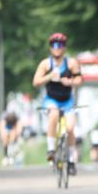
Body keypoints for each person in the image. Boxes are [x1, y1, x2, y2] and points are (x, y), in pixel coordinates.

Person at [32, 32, 83, 175]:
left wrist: (70, 81)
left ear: (64, 48)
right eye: (54, 45)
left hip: (67, 100)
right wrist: (48, 76)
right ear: (50, 48)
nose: (57, 48)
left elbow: (80, 79)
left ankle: (72, 160)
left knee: (71, 128)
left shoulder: (71, 63)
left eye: (60, 45)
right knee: (53, 115)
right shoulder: (45, 64)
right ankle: (51, 149)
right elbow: (35, 82)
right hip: (51, 99)